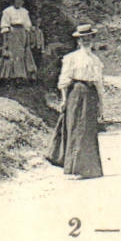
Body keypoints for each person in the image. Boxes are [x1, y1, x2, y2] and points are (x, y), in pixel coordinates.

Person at [47, 24, 105, 178]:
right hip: (76, 94)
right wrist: (64, 100)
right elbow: (64, 80)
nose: (86, 41)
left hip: (91, 95)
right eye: (83, 39)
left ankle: (89, 169)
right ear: (78, 41)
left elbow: (99, 83)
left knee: (88, 130)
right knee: (75, 128)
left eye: (88, 38)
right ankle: (74, 167)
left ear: (92, 39)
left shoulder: (96, 60)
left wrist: (101, 104)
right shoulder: (71, 58)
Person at [0, 0, 38, 80]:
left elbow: (27, 25)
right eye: (19, 0)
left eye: (22, 1)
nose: (21, 3)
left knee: (24, 53)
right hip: (13, 34)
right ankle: (10, 76)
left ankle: (23, 75)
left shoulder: (24, 12)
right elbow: (5, 26)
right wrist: (6, 40)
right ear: (15, 0)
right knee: (13, 54)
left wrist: (29, 36)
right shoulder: (7, 11)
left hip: (22, 34)